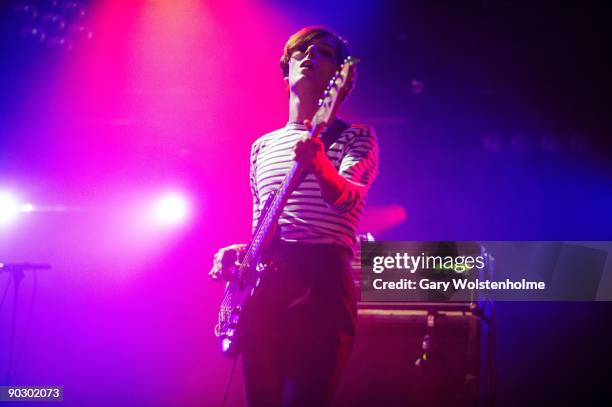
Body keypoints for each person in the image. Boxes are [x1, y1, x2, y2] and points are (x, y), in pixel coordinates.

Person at [210, 26, 379, 407]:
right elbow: (263, 227)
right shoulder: (262, 147)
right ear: (286, 71)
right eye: (301, 52)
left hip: (321, 281)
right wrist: (240, 251)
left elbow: (348, 201)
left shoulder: (356, 137)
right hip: (267, 283)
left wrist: (320, 165)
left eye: (322, 52)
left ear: (341, 79)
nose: (309, 56)